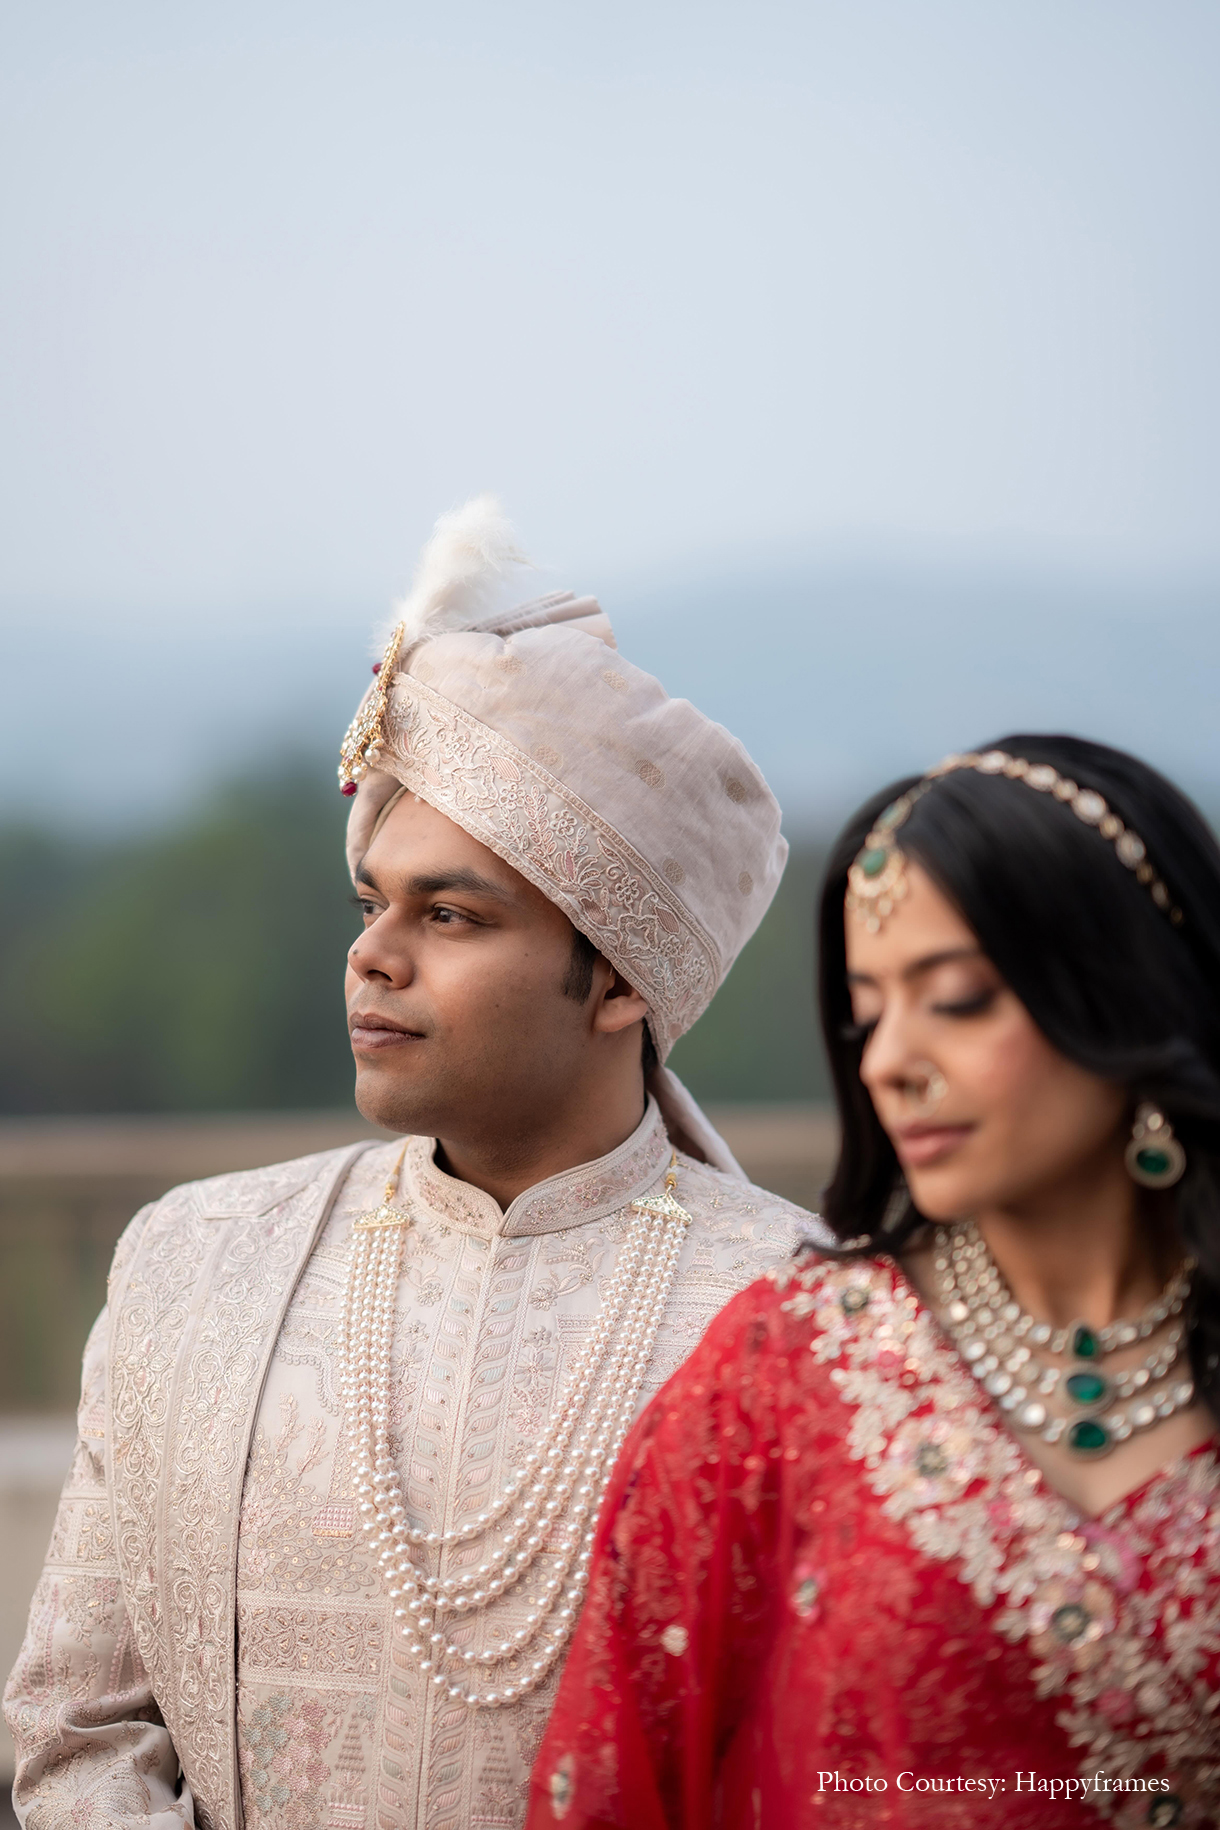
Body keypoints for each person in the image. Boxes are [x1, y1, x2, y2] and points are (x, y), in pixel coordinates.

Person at [3, 498, 824, 1830]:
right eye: (369, 902)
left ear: (622, 978)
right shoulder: (195, 1265)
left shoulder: (804, 1318)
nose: (372, 954)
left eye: (448, 913)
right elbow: (71, 1734)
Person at [528, 734, 1220, 1830]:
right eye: (867, 1012)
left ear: (1131, 997)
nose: (887, 1061)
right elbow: (615, 1786)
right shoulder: (782, 1374)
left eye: (956, 999)